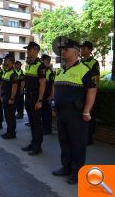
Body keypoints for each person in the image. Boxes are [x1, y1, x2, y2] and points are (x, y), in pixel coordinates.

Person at [52, 39, 97, 184]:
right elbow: (56, 89)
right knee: (64, 141)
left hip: (76, 113)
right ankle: (66, 167)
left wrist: (87, 111)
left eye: (66, 49)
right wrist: (54, 105)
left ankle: (78, 172)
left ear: (76, 52)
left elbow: (92, 90)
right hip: (61, 112)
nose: (63, 51)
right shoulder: (60, 69)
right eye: (62, 49)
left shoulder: (85, 70)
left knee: (78, 143)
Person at [21, 42, 46, 156]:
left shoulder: (40, 65)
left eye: (29, 49)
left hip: (35, 96)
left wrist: (40, 100)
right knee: (32, 122)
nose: (27, 51)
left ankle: (38, 146)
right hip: (29, 95)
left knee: (37, 122)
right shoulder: (29, 64)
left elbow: (42, 83)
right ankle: (33, 143)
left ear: (35, 50)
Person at [80, 41, 100, 145]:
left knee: (90, 114)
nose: (82, 50)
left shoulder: (94, 63)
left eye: (84, 48)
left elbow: (96, 80)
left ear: (90, 50)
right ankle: (82, 136)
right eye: (81, 48)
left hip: (90, 92)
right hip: (81, 92)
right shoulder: (80, 62)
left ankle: (89, 138)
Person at [0, 54, 18, 139]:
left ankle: (12, 133)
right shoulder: (6, 72)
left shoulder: (13, 74)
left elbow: (14, 87)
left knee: (11, 116)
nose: (4, 61)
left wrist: (12, 98)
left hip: (10, 98)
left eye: (6, 60)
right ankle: (8, 131)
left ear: (10, 61)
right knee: (7, 116)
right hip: (5, 97)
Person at [41, 55, 55, 135]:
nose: (44, 62)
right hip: (42, 95)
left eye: (46, 61)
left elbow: (53, 85)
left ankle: (48, 129)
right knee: (43, 113)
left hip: (47, 95)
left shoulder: (50, 72)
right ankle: (44, 128)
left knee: (47, 113)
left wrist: (52, 96)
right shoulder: (42, 70)